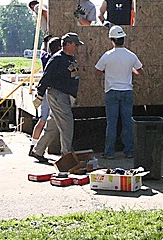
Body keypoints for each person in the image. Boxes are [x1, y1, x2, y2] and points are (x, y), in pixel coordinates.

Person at [29, 33, 83, 163]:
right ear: (68, 44)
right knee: (67, 125)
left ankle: (38, 150)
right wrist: (40, 94)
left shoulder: (70, 57)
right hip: (58, 95)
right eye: (75, 44)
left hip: (63, 95)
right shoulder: (57, 59)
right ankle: (67, 156)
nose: (76, 47)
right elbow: (46, 76)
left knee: (53, 125)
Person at [94, 25, 144, 159]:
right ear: (123, 39)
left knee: (112, 123)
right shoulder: (131, 55)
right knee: (127, 122)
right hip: (127, 91)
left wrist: (108, 71)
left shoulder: (107, 56)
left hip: (111, 92)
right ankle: (129, 151)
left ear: (112, 40)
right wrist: (130, 70)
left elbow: (97, 71)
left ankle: (109, 152)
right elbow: (140, 71)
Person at [29, 36, 61, 157]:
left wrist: (45, 40)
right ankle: (38, 148)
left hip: (44, 92)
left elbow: (42, 50)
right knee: (52, 120)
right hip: (52, 92)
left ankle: (33, 146)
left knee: (42, 120)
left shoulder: (45, 57)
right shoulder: (57, 60)